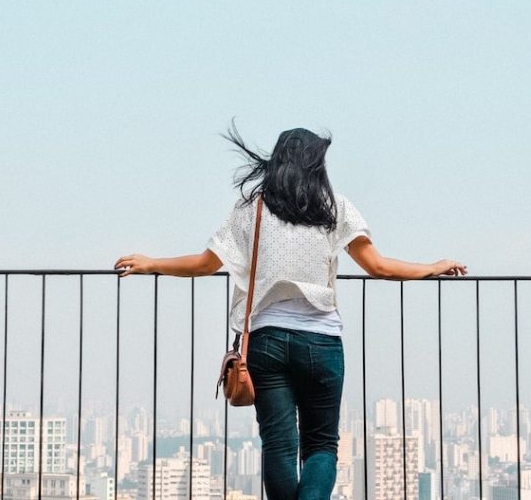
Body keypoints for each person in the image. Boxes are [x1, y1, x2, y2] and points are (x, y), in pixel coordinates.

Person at [115, 125, 466, 500]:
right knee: (320, 446)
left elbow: (205, 264)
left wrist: (152, 262)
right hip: (321, 341)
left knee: (279, 445)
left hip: (265, 342)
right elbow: (377, 267)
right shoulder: (334, 206)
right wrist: (432, 266)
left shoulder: (252, 209)